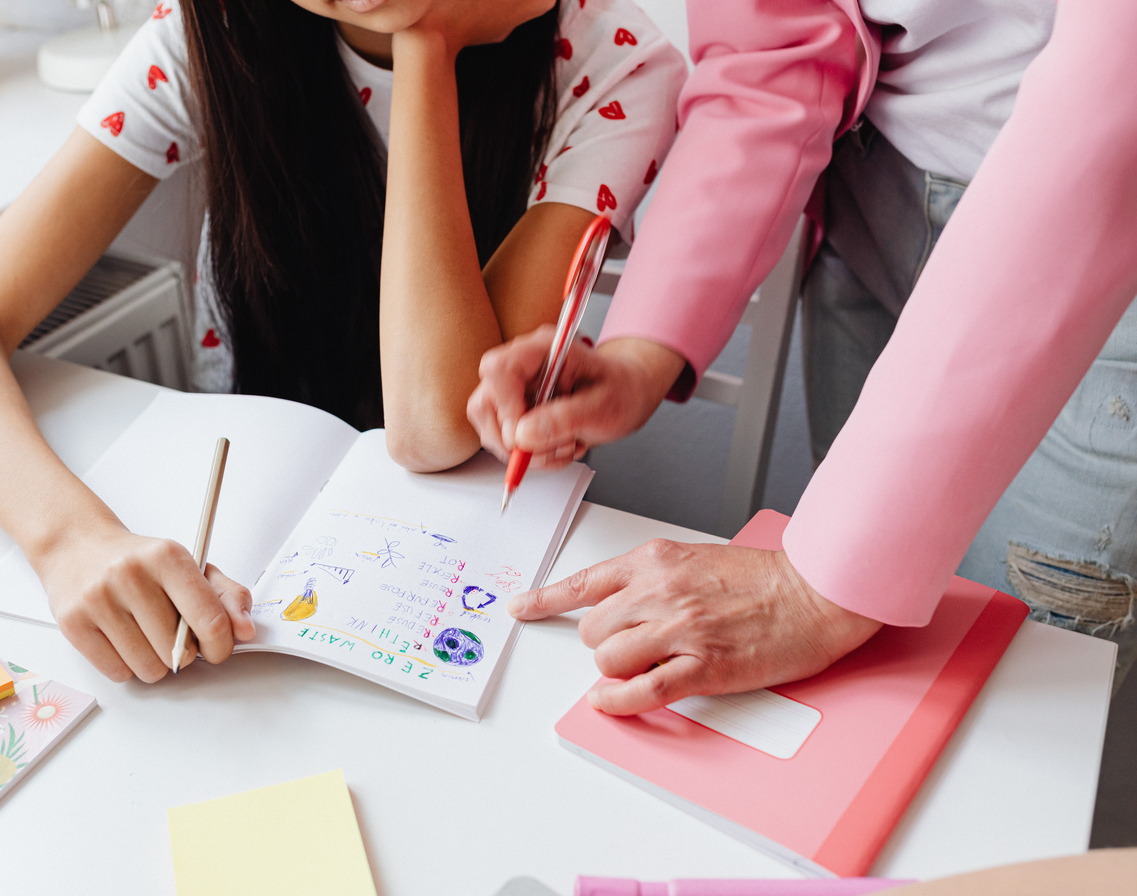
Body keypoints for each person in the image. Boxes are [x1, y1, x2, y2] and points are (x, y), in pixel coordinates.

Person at [0, 0, 685, 684]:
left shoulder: (611, 60)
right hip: (244, 557)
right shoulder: (217, 32)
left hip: (470, 568)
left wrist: (427, 44)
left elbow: (434, 424)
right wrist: (69, 540)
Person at [468, 0, 1137, 714]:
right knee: (871, 699)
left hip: (1105, 247)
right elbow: (773, 48)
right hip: (872, 201)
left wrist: (816, 586)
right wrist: (640, 351)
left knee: (1012, 713)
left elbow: (1116, 96)